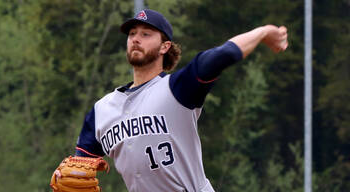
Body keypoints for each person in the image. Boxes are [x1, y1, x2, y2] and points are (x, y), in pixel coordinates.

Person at [74, 9, 288, 192]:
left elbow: (220, 56)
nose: (136, 39)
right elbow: (78, 168)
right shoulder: (102, 110)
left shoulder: (177, 89)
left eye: (146, 34)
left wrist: (262, 33)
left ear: (164, 46)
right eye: (132, 34)